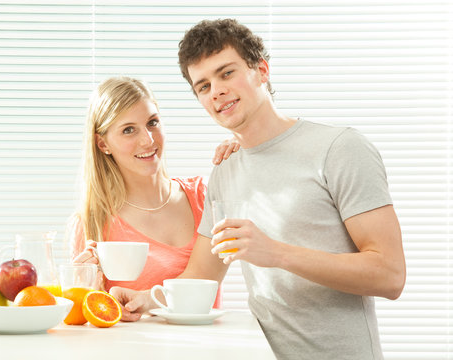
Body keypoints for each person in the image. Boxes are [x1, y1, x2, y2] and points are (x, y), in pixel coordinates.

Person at [109, 19, 406, 359]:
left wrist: (277, 253)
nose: (216, 91)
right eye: (202, 86)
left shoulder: (340, 148)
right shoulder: (225, 170)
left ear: (261, 70)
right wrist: (147, 298)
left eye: (226, 73)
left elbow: (390, 274)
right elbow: (202, 274)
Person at [68, 76, 238, 320]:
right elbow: (86, 322)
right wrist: (85, 293)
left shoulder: (203, 197)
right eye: (128, 130)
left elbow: (205, 277)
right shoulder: (91, 223)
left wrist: (246, 152)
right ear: (103, 143)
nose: (148, 140)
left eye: (152, 122)